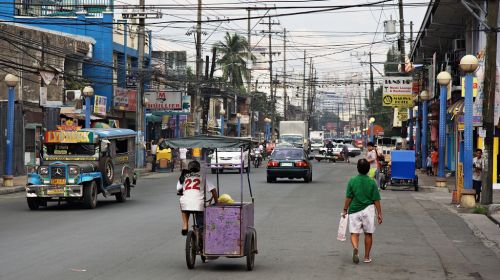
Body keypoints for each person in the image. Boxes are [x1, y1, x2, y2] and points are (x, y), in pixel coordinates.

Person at [342, 159, 382, 264]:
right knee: (368, 234)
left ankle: (355, 248)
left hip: (354, 210)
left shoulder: (352, 180)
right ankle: (366, 257)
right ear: (368, 169)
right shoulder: (372, 182)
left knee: (354, 233)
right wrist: (379, 214)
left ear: (357, 169)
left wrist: (345, 209)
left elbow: (349, 197)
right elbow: (376, 199)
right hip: (368, 210)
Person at [177, 161, 218, 236]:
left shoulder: (184, 176)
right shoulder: (202, 176)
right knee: (201, 224)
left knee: (184, 207)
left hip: (185, 202)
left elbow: (178, 188)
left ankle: (185, 225)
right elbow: (213, 190)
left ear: (189, 168)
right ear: (198, 168)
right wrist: (216, 201)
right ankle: (201, 234)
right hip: (198, 203)